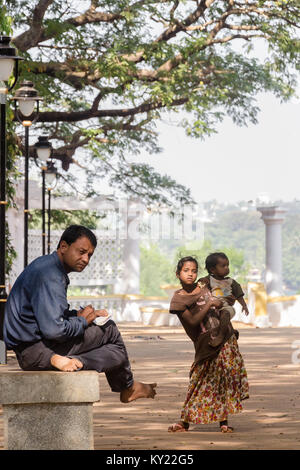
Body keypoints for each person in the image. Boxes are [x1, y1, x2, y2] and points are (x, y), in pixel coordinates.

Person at [3, 225, 156, 403]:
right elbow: (54, 330)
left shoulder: (46, 266)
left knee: (116, 353)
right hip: (35, 350)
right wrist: (83, 321)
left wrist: (78, 314)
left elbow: (46, 315)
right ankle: (126, 386)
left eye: (89, 255)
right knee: (109, 330)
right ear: (63, 246)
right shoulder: (51, 275)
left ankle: (69, 361)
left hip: (30, 350)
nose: (85, 259)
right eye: (81, 252)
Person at [168, 256, 249, 433]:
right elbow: (192, 322)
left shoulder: (205, 286)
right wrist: (210, 304)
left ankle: (223, 422)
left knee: (222, 381)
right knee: (198, 381)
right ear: (178, 274)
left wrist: (224, 302)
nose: (190, 274)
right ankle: (185, 421)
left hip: (225, 337)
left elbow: (225, 297)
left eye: (194, 270)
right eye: (186, 270)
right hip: (205, 344)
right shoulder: (178, 300)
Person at [201, 252, 249, 347]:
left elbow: (239, 294)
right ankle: (230, 331)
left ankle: (221, 336)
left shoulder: (231, 282)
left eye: (227, 265)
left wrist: (244, 305)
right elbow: (199, 289)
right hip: (212, 306)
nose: (227, 268)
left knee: (225, 314)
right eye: (223, 266)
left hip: (226, 306)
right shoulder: (207, 280)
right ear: (212, 269)